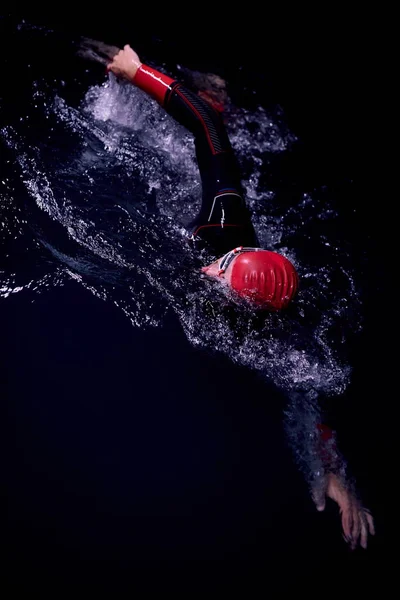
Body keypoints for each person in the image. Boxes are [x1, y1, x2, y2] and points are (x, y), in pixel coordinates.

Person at [105, 45, 375, 549]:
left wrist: (333, 472)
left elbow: (306, 392)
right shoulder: (225, 222)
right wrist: (135, 72)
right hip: (201, 196)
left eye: (221, 274)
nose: (210, 269)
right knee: (209, 116)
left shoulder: (272, 327)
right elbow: (207, 127)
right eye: (222, 264)